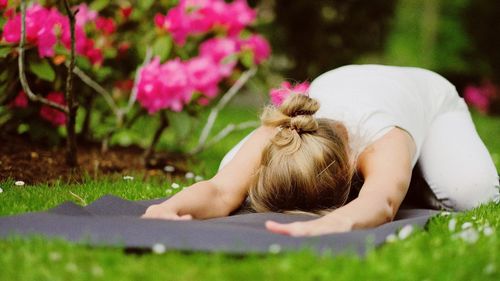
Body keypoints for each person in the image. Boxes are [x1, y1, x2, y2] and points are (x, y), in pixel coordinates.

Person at [142, 64, 499, 236]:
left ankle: (411, 169)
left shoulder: (380, 138)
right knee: (230, 166)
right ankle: (406, 171)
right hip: (350, 85)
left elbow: (384, 203)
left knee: (471, 193)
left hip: (430, 97)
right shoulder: (285, 126)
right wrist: (167, 208)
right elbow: (220, 191)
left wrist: (337, 220)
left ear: (347, 169)